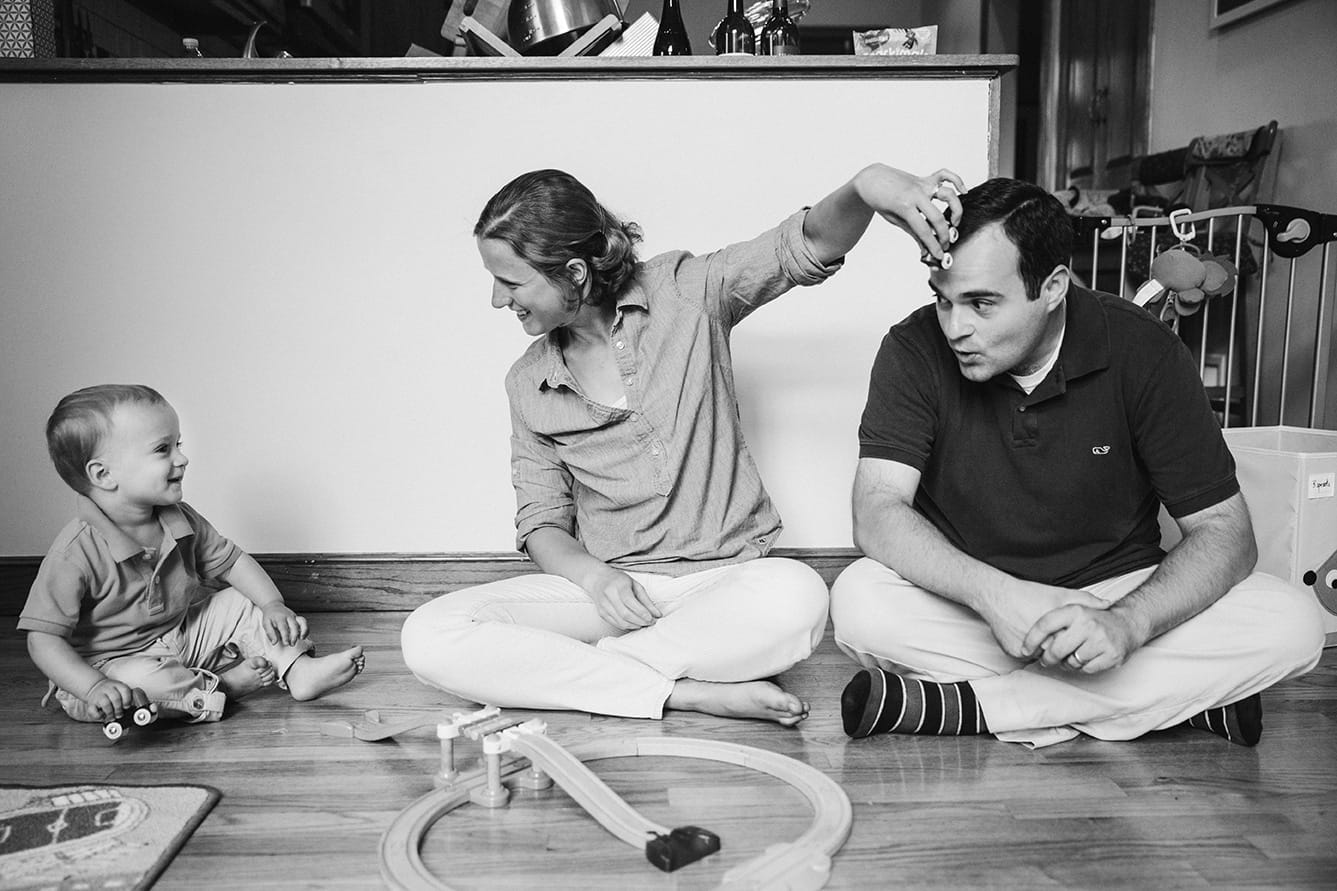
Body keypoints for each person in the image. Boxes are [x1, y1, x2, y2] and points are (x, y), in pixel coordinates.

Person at [401, 164, 965, 725]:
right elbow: (542, 521)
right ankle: (681, 691)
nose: (499, 300)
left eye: (511, 281)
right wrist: (597, 580)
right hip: (609, 593)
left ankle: (604, 676)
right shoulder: (529, 382)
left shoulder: (685, 293)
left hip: (726, 584)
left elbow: (808, 242)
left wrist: (866, 185)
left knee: (799, 595)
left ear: (573, 272)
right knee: (429, 635)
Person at [832, 177, 1325, 748]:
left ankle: (968, 707)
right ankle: (1174, 703)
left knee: (1294, 623)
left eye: (982, 303)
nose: (955, 327)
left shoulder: (1145, 351)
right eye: (944, 299)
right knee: (860, 602)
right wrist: (997, 596)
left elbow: (1226, 533)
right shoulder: (913, 348)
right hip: (973, 597)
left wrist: (1128, 624)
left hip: (1117, 591)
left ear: (1053, 287)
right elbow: (876, 510)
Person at [19, 384, 366, 728]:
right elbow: (43, 639)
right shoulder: (76, 551)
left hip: (178, 635)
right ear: (104, 475)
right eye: (162, 449)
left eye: (178, 445)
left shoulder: (178, 517)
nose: (181, 458)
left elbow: (231, 562)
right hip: (107, 666)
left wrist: (272, 605)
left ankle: (297, 669)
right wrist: (93, 687)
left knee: (243, 601)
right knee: (140, 685)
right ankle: (223, 689)